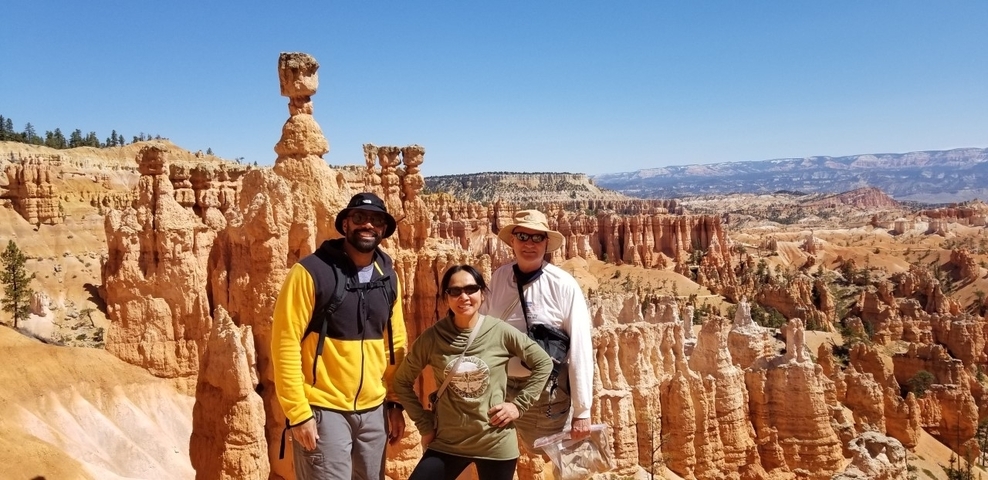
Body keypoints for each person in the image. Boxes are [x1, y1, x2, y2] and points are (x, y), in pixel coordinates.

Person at [271, 192, 408, 480]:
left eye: (376, 220)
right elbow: (285, 344)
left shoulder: (389, 278)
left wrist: (395, 402)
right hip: (324, 410)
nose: (367, 225)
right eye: (359, 218)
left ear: (383, 230)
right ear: (345, 224)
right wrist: (298, 413)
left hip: (373, 411)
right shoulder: (310, 272)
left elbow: (394, 345)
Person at [393, 265, 552, 480]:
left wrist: (518, 405)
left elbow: (543, 363)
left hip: (495, 444)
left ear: (482, 293)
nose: (464, 297)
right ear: (445, 298)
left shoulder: (500, 332)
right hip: (448, 443)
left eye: (471, 289)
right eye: (455, 291)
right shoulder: (433, 338)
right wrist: (424, 423)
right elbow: (401, 381)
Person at [481, 209, 594, 450]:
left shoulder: (563, 285)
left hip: (545, 395)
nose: (529, 244)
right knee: (500, 456)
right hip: (501, 390)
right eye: (522, 236)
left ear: (546, 243)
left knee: (555, 460)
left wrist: (583, 411)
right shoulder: (500, 278)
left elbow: (581, 347)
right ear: (512, 240)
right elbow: (483, 330)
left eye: (537, 238)